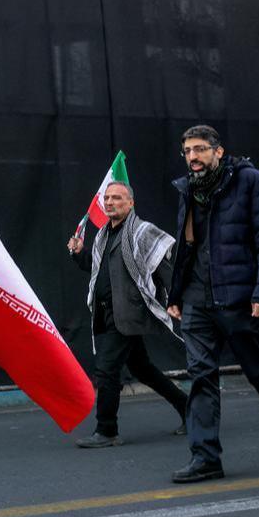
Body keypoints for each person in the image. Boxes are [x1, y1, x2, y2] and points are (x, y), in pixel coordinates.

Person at [166, 125, 259, 483]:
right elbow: (186, 247)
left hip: (237, 298)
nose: (193, 157)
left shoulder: (252, 182)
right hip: (197, 299)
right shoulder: (189, 190)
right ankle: (206, 457)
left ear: (218, 151)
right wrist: (176, 295)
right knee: (200, 377)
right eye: (187, 151)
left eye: (199, 149)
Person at [67, 181, 189, 448]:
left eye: (117, 198)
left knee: (107, 371)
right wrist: (79, 254)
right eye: (107, 198)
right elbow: (97, 268)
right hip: (106, 314)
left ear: (130, 203)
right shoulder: (102, 235)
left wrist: (175, 299)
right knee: (143, 369)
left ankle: (107, 430)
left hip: (128, 313)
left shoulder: (142, 232)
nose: (110, 202)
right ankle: (188, 408)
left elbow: (162, 265)